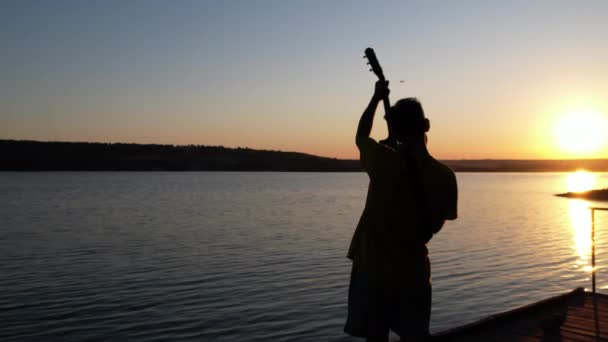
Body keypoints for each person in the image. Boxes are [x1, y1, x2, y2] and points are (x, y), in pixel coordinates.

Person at [345, 80, 458, 342]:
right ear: (426, 126)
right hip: (413, 271)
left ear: (394, 130)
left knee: (375, 336)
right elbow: (435, 226)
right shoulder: (444, 176)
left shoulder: (382, 160)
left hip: (371, 268)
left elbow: (361, 136)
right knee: (415, 336)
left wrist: (375, 98)